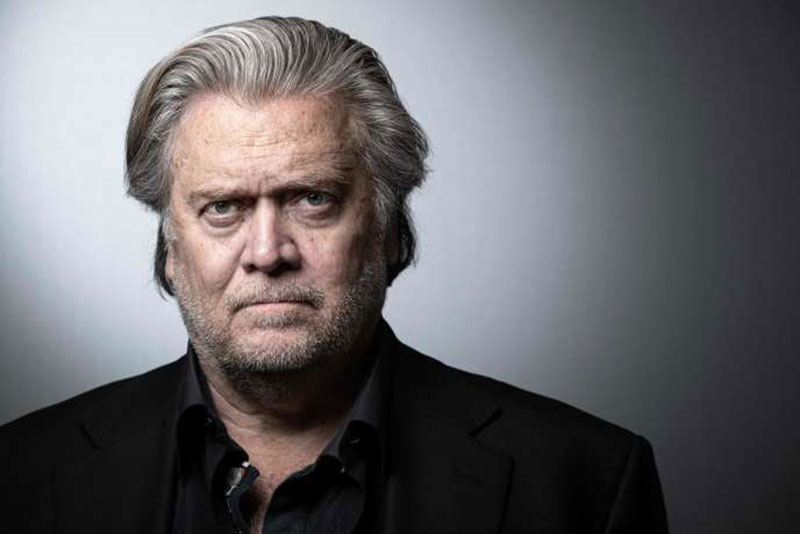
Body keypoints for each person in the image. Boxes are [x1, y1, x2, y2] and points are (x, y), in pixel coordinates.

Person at [0, 16, 668, 534]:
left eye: (313, 199)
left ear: (388, 228)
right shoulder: (21, 474)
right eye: (223, 207)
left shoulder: (586, 483)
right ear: (170, 248)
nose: (268, 252)